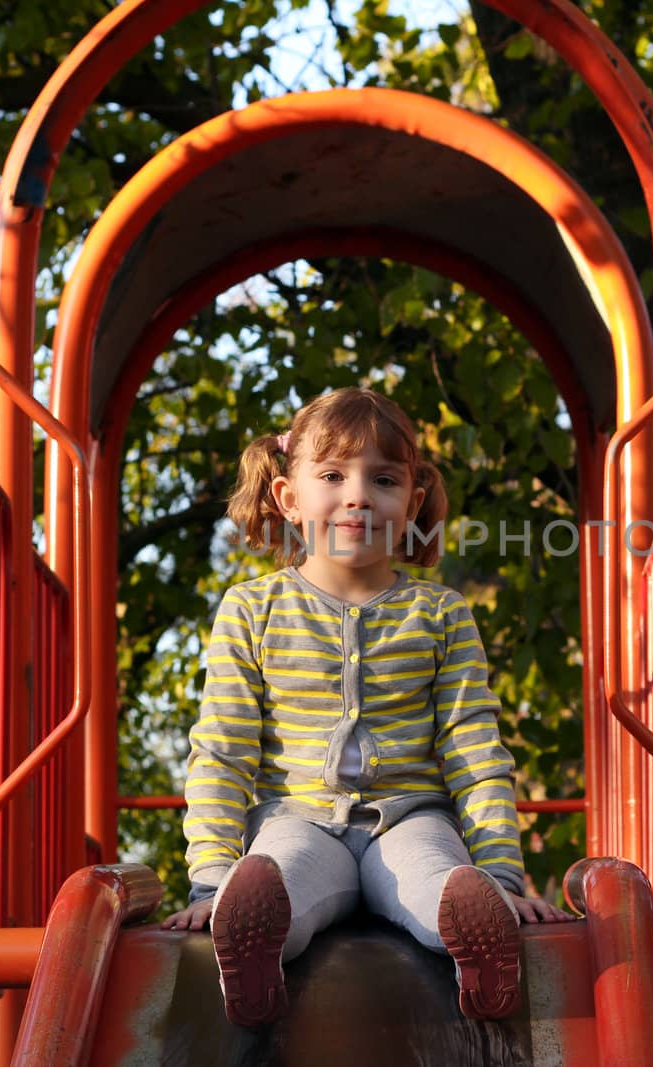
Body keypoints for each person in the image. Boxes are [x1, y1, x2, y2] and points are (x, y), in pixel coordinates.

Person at [162, 387, 571, 1028]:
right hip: (297, 819)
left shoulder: (438, 613)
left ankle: (482, 947)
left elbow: (473, 745)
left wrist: (499, 873)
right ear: (289, 499)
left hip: (412, 819)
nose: (358, 495)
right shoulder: (252, 609)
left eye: (383, 479)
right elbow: (223, 748)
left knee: (440, 885)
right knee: (279, 885)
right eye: (332, 475)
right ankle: (250, 961)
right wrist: (213, 877)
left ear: (410, 502)